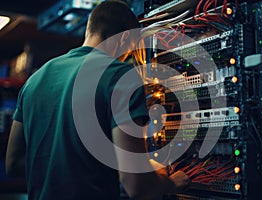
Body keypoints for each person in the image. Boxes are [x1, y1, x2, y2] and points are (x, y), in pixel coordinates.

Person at [5, 1, 190, 199]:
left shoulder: (35, 79)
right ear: (125, 38)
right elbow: (136, 186)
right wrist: (169, 182)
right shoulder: (120, 77)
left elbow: (13, 163)